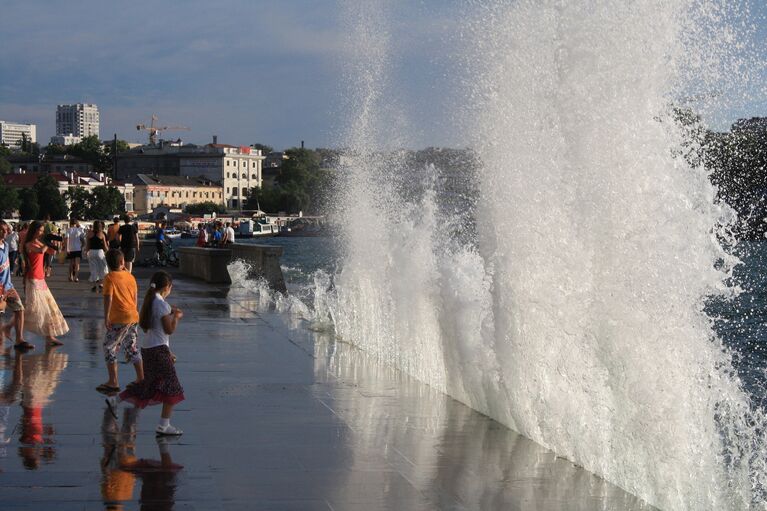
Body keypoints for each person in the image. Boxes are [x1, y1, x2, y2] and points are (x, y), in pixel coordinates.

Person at [107, 271, 184, 436]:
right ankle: (164, 425)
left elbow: (154, 329)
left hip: (149, 348)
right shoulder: (162, 305)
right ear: (167, 287)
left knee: (149, 383)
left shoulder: (151, 301)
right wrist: (176, 317)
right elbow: (168, 330)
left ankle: (115, 400)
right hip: (157, 350)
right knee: (172, 386)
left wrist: (167, 350)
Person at [97, 249, 143, 394]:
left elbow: (108, 298)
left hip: (119, 318)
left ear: (108, 263)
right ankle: (141, 378)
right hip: (133, 316)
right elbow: (135, 297)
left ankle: (113, 381)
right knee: (131, 347)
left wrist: (106, 317)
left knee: (109, 346)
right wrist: (134, 312)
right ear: (122, 262)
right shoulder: (130, 277)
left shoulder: (109, 278)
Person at [22, 220, 69, 346]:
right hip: (32, 278)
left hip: (40, 278)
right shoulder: (29, 244)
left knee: (49, 307)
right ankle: (10, 327)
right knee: (33, 309)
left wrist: (56, 244)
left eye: (43, 231)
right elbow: (41, 251)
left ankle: (50, 336)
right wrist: (47, 243)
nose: (41, 233)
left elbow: (52, 252)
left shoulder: (39, 242)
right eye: (40, 230)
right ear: (34, 230)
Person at [0, 220, 31, 351]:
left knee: (19, 308)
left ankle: (19, 339)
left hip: (8, 286)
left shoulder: (6, 245)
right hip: (1, 288)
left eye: (7, 229)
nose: (6, 231)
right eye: (3, 229)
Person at [85, 221, 109, 292]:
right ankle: (101, 284)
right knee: (103, 268)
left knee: (93, 268)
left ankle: (94, 285)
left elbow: (87, 245)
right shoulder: (102, 234)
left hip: (91, 252)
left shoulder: (89, 234)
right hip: (100, 252)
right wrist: (108, 252)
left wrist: (86, 252)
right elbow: (105, 246)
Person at [65, 218, 85, 282]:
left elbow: (67, 239)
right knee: (77, 264)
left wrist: (67, 248)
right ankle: (76, 277)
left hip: (71, 249)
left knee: (71, 264)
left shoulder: (68, 230)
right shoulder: (79, 230)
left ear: (70, 223)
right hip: (78, 249)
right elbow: (83, 241)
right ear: (76, 223)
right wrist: (81, 246)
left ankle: (70, 276)